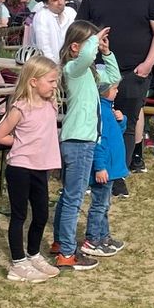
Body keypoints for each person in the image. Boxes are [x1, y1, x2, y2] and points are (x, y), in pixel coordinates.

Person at [75, 0, 154, 188]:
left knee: (124, 123)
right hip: (97, 69)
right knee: (93, 120)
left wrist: (148, 64)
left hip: (134, 70)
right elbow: (80, 30)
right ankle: (91, 171)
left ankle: (118, 175)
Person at [52, 20, 114, 271]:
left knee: (69, 195)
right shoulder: (72, 68)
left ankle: (59, 243)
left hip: (83, 140)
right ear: (76, 47)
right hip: (79, 141)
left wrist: (108, 53)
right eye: (92, 43)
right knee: (73, 198)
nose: (96, 48)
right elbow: (88, 55)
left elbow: (114, 77)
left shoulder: (87, 71)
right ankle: (67, 252)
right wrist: (94, 41)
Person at [0, 55, 63, 282]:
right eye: (51, 81)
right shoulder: (20, 107)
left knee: (42, 213)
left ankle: (34, 254)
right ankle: (17, 263)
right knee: (19, 215)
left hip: (40, 168)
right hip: (20, 167)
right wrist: (20, 143)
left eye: (56, 81)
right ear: (34, 81)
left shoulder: (50, 104)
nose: (55, 85)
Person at [84, 78, 128, 258]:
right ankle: (93, 240)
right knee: (99, 205)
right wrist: (100, 167)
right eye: (115, 88)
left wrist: (122, 120)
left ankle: (104, 237)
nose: (117, 91)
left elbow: (117, 133)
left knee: (104, 205)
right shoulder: (100, 112)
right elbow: (99, 143)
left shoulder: (108, 110)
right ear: (104, 91)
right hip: (105, 169)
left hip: (111, 168)